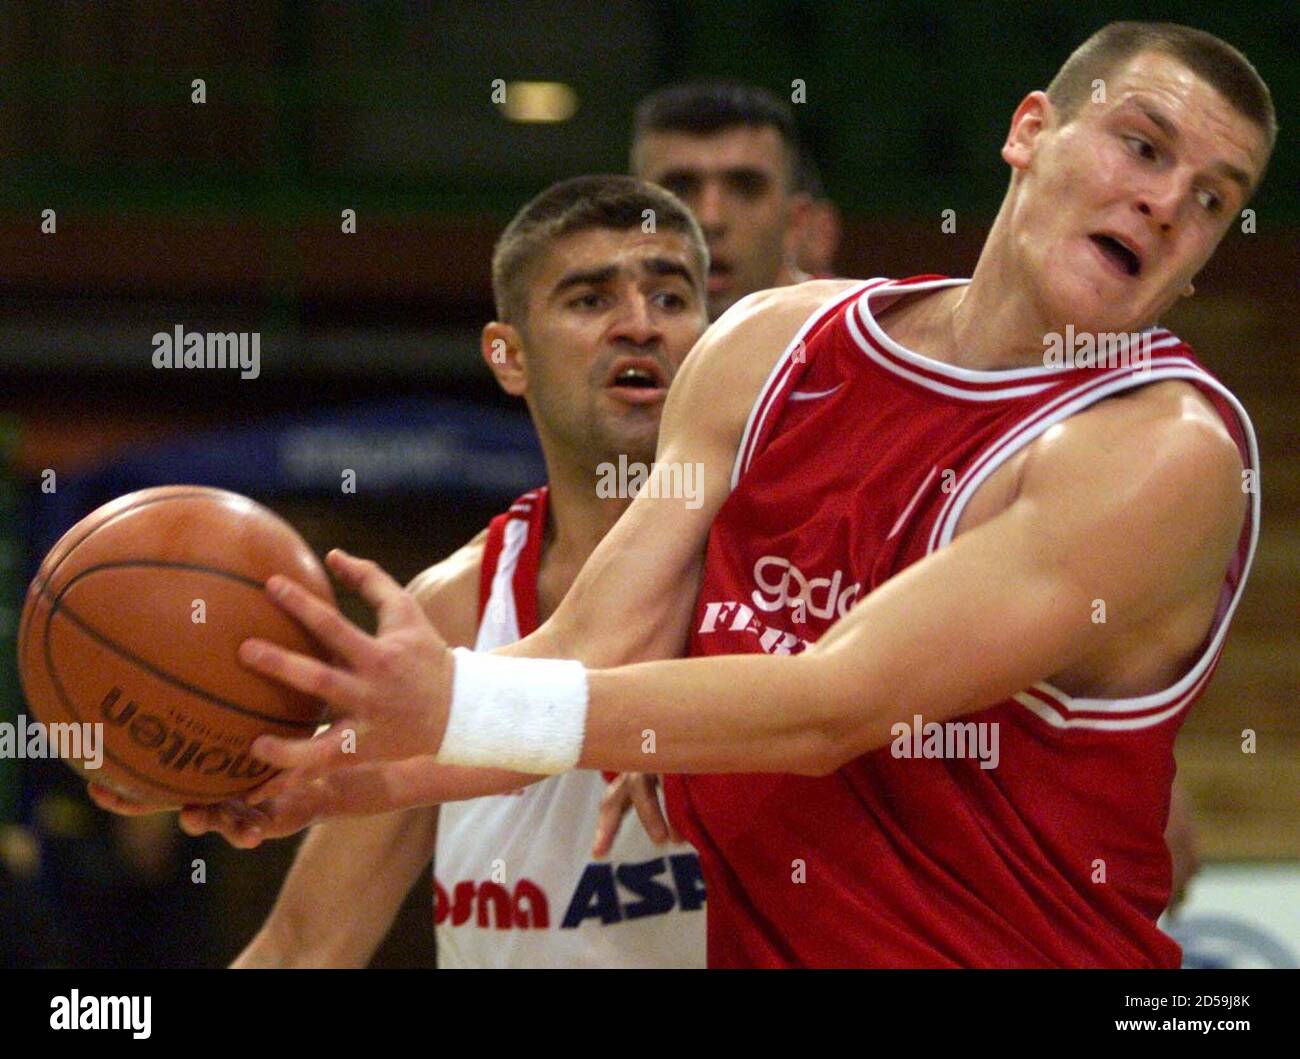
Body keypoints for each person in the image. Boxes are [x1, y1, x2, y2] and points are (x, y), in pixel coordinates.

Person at [232, 22, 1273, 968]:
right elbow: (587, 655)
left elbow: (830, 707)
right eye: (1141, 146)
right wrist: (322, 766)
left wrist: (468, 703)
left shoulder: (1163, 452)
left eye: (1213, 199)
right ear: (1029, 132)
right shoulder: (769, 348)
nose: (1168, 202)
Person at [92, 175, 712, 967]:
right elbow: (302, 946)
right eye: (590, 300)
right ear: (509, 356)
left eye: (670, 297)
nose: (639, 325)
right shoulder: (455, 610)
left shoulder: (775, 578)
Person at [630, 81, 815, 318]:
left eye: (746, 188)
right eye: (679, 189)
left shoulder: (857, 345)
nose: (709, 219)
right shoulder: (585, 345)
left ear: (795, 222)